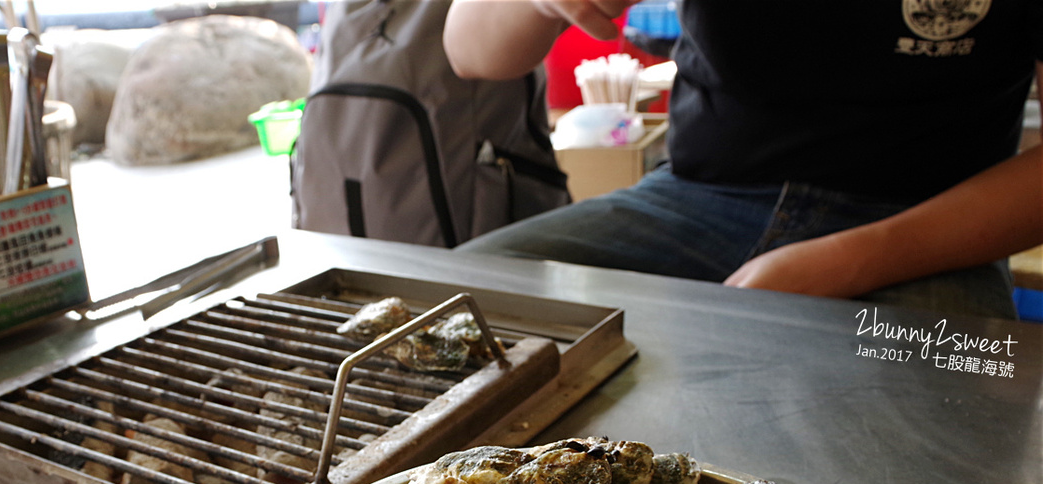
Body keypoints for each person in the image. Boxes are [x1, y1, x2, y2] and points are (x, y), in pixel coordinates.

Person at [443, 0, 1043, 319]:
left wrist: (854, 260)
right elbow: (469, 48)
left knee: (946, 406)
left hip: (932, 233)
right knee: (444, 313)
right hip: (697, 199)